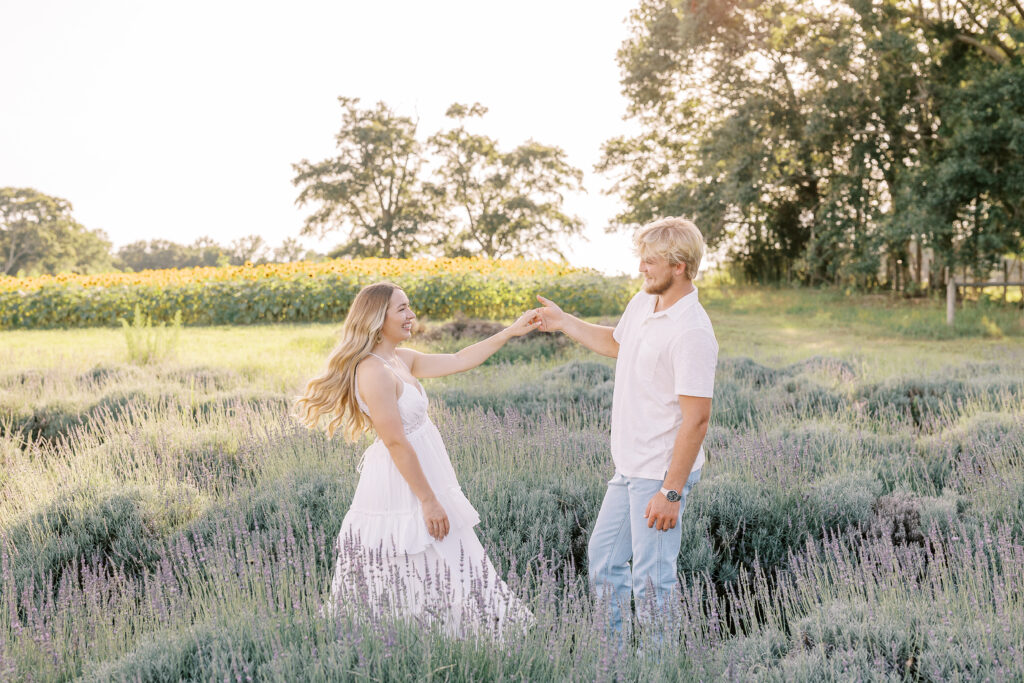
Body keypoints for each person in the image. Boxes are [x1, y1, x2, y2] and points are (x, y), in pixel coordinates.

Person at [295, 281, 539, 636]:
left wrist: (510, 332)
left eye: (409, 306)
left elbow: (459, 360)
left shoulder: (400, 358)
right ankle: (410, 634)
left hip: (426, 470)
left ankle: (457, 631)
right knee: (412, 550)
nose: (411, 315)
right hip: (402, 479)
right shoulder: (373, 370)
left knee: (447, 549)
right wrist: (428, 500)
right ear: (377, 319)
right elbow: (395, 441)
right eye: (402, 309)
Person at [535, 217, 717, 636]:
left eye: (650, 261)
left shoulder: (692, 332)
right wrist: (564, 322)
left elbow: (697, 420)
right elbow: (617, 343)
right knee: (604, 561)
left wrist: (670, 492)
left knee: (653, 583)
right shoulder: (644, 302)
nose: (641, 268)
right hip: (630, 466)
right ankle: (614, 660)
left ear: (679, 266)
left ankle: (657, 666)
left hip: (660, 473)